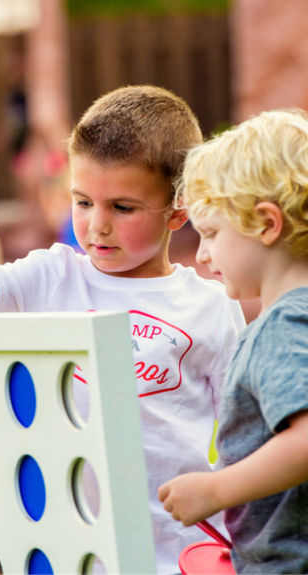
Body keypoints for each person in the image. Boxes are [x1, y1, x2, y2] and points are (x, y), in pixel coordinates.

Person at [0, 85, 246, 574]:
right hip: (54, 546)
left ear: (177, 211)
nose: (96, 226)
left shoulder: (209, 307)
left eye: (122, 208)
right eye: (83, 202)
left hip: (167, 551)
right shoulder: (52, 274)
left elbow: (240, 431)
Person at [158, 109, 308, 573]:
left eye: (211, 233)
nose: (202, 255)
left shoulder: (283, 328)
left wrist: (216, 490)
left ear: (265, 224)